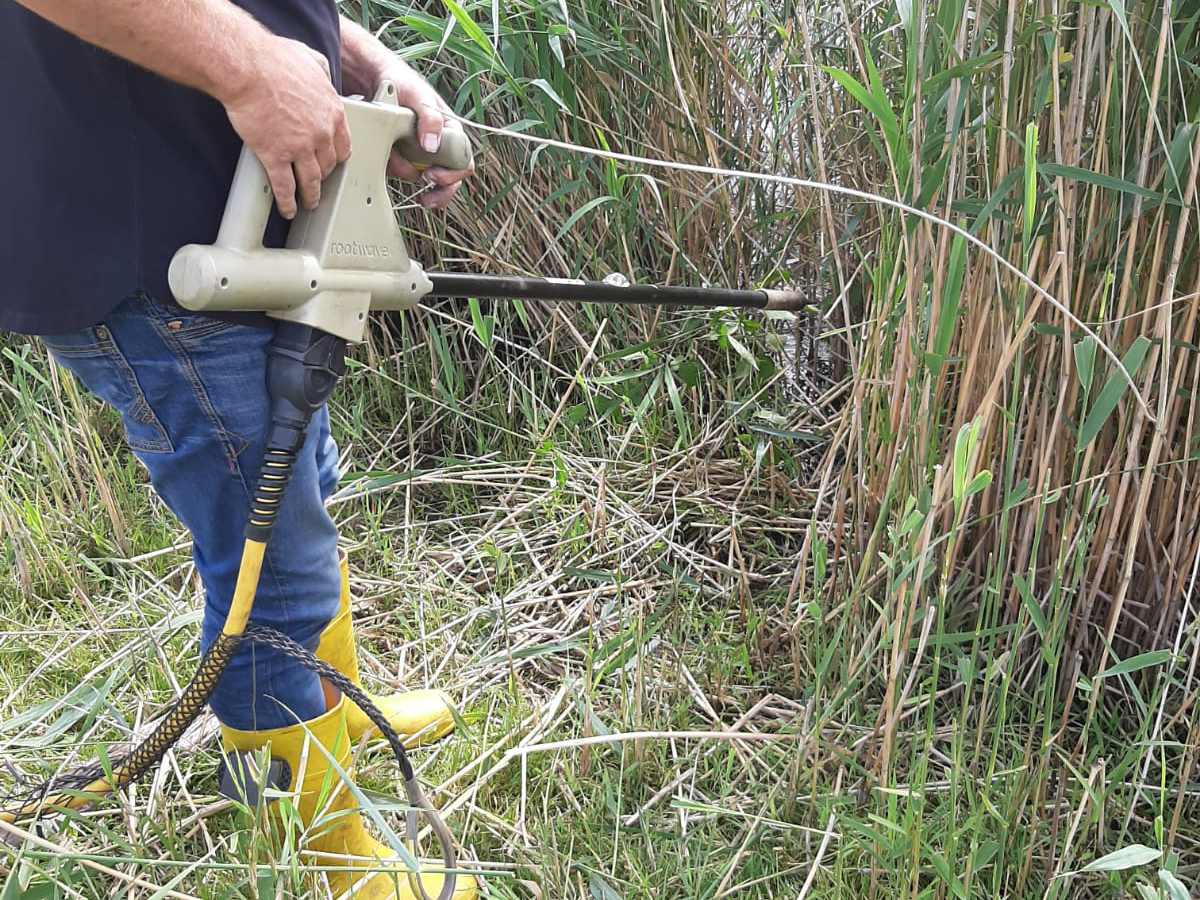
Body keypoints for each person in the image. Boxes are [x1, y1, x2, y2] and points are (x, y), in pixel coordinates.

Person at [1, 1, 477, 897]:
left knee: (298, 497)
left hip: (257, 220)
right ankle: (328, 860)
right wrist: (253, 69)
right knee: (271, 576)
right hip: (151, 242)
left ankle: (326, 718)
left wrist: (355, 63)